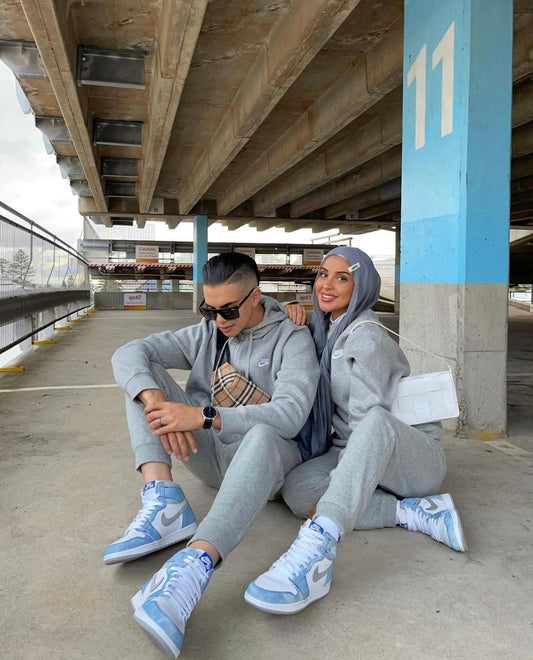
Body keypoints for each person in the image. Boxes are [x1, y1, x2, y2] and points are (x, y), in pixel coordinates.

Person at [106, 252, 320, 658]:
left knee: (261, 433)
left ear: (255, 297)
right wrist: (154, 399)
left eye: (228, 310)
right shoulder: (209, 332)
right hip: (212, 458)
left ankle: (194, 565)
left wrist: (203, 415)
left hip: (265, 464)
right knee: (142, 381)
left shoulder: (292, 338)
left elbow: (291, 415)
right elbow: (128, 351)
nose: (219, 319)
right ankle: (164, 502)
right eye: (209, 308)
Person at [245, 246, 467, 615]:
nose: (326, 285)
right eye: (322, 275)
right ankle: (412, 513)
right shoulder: (325, 329)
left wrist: (339, 488)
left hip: (410, 458)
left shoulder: (366, 337)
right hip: (352, 447)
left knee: (373, 422)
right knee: (297, 490)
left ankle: (318, 548)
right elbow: (256, 308)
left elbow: (368, 423)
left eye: (342, 278)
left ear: (360, 287)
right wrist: (286, 309)